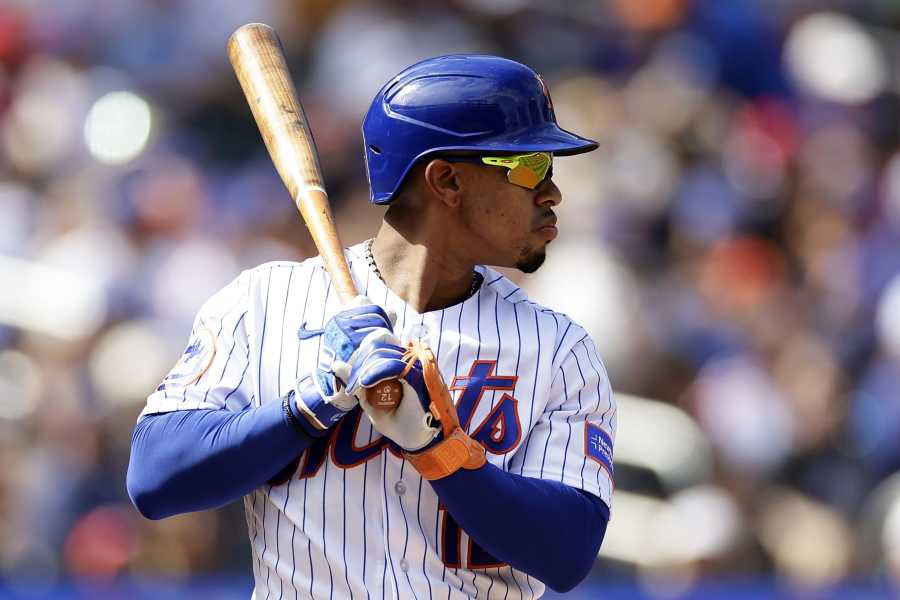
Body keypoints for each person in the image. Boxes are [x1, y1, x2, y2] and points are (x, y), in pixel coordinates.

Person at [127, 54, 616, 599]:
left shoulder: (559, 348)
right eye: (528, 166)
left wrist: (440, 448)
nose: (551, 192)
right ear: (447, 180)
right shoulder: (265, 300)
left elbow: (568, 551)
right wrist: (316, 400)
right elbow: (155, 478)